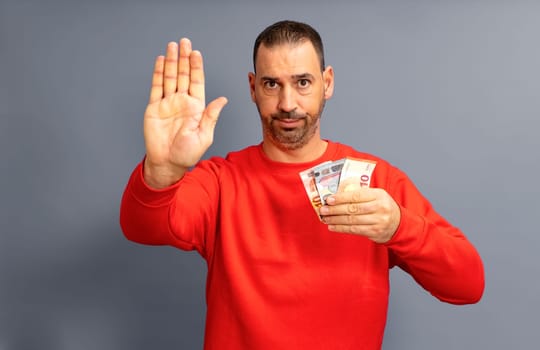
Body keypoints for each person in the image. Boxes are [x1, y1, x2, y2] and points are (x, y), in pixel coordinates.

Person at [120, 20, 484, 350]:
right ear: (252, 87)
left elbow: (467, 285)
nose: (287, 103)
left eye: (302, 82)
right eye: (271, 84)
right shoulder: (221, 182)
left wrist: (399, 227)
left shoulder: (377, 181)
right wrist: (163, 167)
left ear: (327, 83)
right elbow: (142, 226)